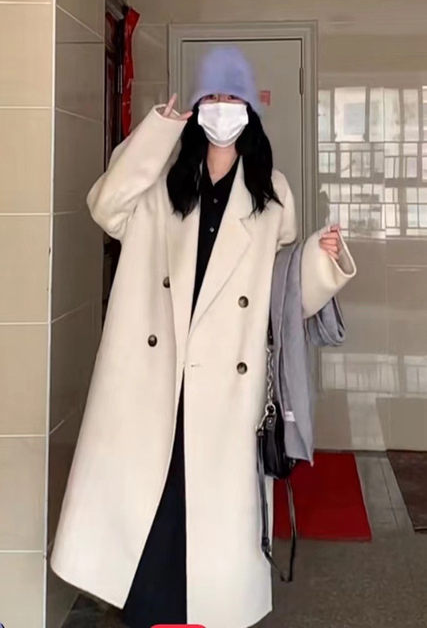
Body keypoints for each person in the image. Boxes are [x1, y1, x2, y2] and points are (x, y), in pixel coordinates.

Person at [49, 46, 356, 628]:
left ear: (250, 110)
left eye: (232, 97)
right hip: (155, 378)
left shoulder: (273, 195)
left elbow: (282, 293)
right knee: (152, 506)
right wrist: (157, 131)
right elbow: (105, 208)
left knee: (206, 517)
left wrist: (322, 260)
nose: (222, 107)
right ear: (195, 108)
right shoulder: (160, 180)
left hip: (224, 388)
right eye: (211, 97)